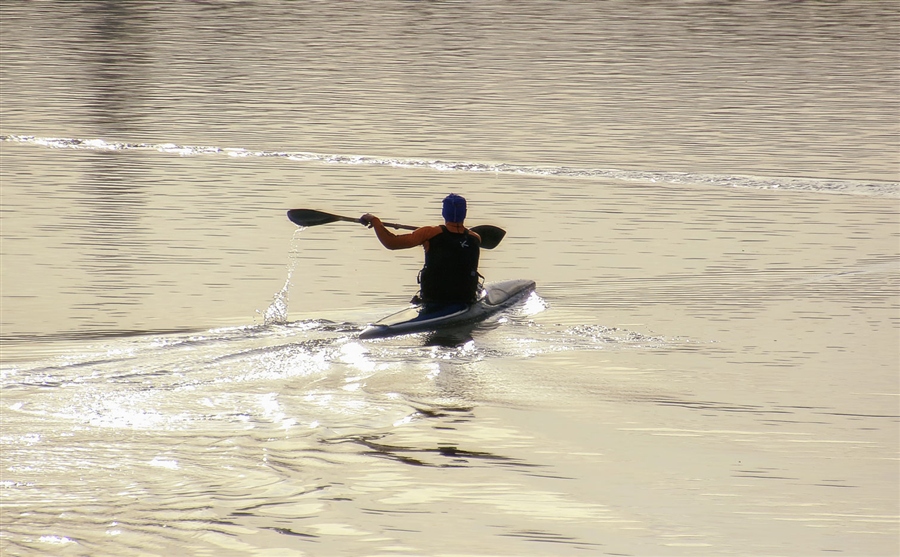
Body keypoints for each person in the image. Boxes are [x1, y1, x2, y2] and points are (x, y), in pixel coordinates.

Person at [361, 193, 482, 306]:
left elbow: (391, 242)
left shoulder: (429, 233)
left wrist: (374, 220)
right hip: (465, 297)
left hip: (433, 297)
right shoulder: (475, 238)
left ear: (444, 212)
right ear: (464, 213)